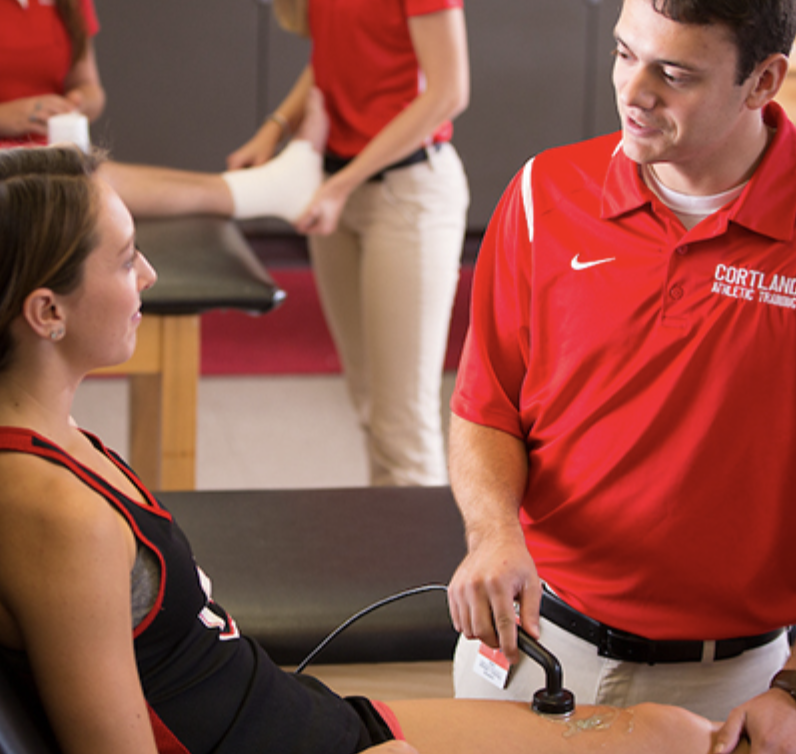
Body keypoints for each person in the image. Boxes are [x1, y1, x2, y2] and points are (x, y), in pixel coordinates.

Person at [0, 144, 753, 754]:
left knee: (669, 734)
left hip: (298, 715)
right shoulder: (55, 513)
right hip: (292, 739)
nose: (150, 276)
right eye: (128, 258)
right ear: (48, 311)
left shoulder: (57, 438)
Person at [445, 0, 796, 752]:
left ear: (763, 80)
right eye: (623, 53)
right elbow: (487, 406)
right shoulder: (545, 193)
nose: (634, 91)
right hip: (531, 645)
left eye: (673, 73)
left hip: (734, 688)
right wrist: (493, 534)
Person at [228, 0, 471, 487]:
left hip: (406, 195)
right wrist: (273, 130)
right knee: (368, 403)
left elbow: (448, 92)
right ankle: (391, 551)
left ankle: (413, 561)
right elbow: (331, 60)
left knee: (402, 425)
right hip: (340, 186)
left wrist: (339, 186)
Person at [0, 0, 325, 222]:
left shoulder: (66, 4)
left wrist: (78, 102)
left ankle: (261, 188)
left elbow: (91, 90)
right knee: (93, 182)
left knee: (96, 174)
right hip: (14, 163)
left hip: (52, 152)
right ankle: (263, 190)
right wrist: (7, 116)